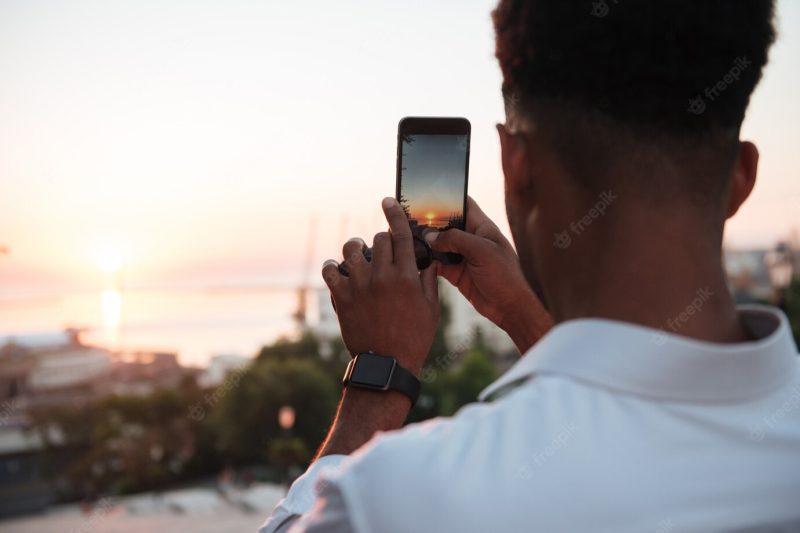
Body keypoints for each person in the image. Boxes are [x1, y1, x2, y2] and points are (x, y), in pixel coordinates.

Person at [260, 0, 800, 531]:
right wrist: (525, 316)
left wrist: (379, 375)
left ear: (515, 166)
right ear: (742, 177)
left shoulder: (407, 496)